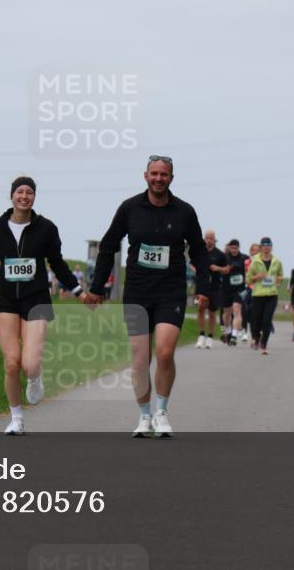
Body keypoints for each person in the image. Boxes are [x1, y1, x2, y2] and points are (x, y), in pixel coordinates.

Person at [0, 177, 89, 435]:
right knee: (12, 361)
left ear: (34, 197)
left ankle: (35, 377)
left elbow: (57, 264)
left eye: (29, 192)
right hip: (5, 299)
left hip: (36, 298)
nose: (24, 196)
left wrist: (79, 291)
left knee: (30, 363)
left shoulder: (46, 228)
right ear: (12, 196)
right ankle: (16, 418)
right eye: (19, 192)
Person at [85, 156, 211, 438]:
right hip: (138, 292)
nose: (158, 178)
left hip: (171, 290)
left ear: (171, 178)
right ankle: (144, 415)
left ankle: (162, 412)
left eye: (163, 174)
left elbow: (200, 251)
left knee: (165, 352)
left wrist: (204, 287)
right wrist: (96, 287)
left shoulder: (185, 212)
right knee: (140, 360)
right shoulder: (129, 208)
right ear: (145, 176)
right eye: (154, 173)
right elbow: (108, 246)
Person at [246, 237, 284, 355]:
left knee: (267, 320)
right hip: (258, 294)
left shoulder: (277, 261)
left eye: (269, 244)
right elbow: (248, 279)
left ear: (271, 247)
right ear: (261, 247)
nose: (267, 246)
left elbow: (281, 276)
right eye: (264, 244)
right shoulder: (255, 261)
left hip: (272, 295)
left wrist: (278, 280)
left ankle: (264, 344)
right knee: (256, 320)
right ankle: (256, 337)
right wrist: (257, 277)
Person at [196, 229, 227, 349]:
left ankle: (210, 337)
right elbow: (193, 264)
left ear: (214, 240)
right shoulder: (200, 252)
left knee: (212, 312)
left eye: (211, 238)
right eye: (207, 238)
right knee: (200, 308)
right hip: (202, 284)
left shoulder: (220, 254)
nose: (209, 240)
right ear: (204, 239)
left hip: (214, 286)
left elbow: (227, 269)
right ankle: (201, 335)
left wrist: (217, 268)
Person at [220, 239, 250, 346]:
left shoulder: (245, 258)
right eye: (232, 248)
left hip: (240, 289)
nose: (234, 250)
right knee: (226, 313)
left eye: (236, 248)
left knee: (237, 310)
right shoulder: (224, 257)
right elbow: (217, 268)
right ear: (229, 248)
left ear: (239, 248)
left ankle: (234, 335)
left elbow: (250, 268)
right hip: (226, 289)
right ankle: (228, 331)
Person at [240, 242, 260, 342]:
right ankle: (244, 331)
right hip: (246, 288)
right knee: (244, 309)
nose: (255, 252)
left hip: (258, 289)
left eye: (257, 250)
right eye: (253, 250)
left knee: (254, 311)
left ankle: (255, 333)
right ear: (250, 252)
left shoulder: (262, 263)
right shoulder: (246, 262)